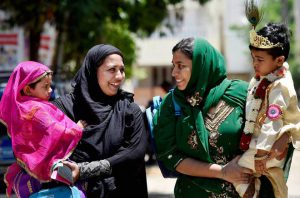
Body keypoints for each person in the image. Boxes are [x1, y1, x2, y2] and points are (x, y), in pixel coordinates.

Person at [152, 37, 292, 198]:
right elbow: (171, 156)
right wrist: (223, 172)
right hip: (192, 192)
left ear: (201, 66)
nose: (174, 73)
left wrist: (283, 137)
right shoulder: (172, 103)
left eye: (181, 66)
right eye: (173, 65)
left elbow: (279, 118)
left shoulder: (242, 92)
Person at [52, 44, 148, 197]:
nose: (119, 76)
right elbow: (48, 149)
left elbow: (133, 153)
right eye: (112, 70)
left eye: (122, 70)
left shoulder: (128, 110)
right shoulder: (64, 108)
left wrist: (83, 170)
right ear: (92, 71)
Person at [234, 20, 300, 198]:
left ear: (279, 60)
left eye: (260, 59)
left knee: (234, 168)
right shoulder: (262, 78)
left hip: (269, 147)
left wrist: (262, 154)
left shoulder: (280, 85)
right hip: (258, 143)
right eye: (253, 58)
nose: (254, 63)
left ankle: (248, 191)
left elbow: (273, 120)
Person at [0, 61, 84, 197]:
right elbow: (54, 130)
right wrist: (76, 129)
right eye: (46, 86)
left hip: (32, 179)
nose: (50, 90)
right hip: (49, 179)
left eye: (50, 86)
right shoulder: (35, 110)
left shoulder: (21, 109)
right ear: (28, 90)